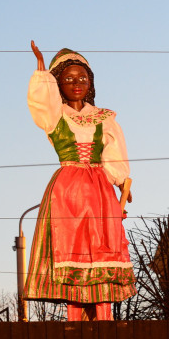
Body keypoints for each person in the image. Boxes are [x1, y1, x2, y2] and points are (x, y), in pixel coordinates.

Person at [24, 41, 135, 321]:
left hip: (99, 188)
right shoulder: (56, 116)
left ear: (91, 82)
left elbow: (114, 154)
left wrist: (121, 182)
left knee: (102, 244)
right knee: (71, 245)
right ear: (58, 84)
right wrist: (41, 70)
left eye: (83, 78)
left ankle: (104, 314)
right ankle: (74, 315)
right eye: (69, 78)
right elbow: (41, 102)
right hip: (68, 189)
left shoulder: (103, 118)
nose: (77, 83)